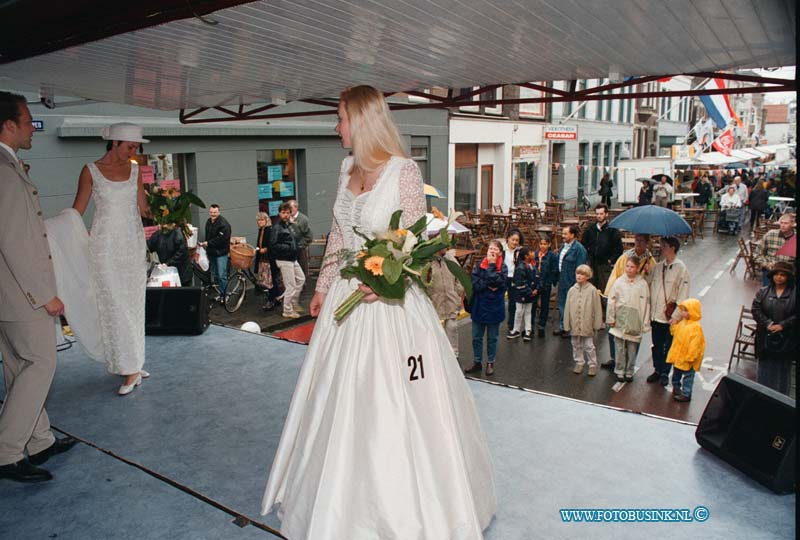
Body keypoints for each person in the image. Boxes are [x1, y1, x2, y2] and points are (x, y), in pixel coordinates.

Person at [262, 86, 496, 538]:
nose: (336, 128)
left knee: (400, 397)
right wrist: (323, 285)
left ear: (363, 121)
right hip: (344, 304)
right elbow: (337, 234)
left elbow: (414, 247)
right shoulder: (347, 168)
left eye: (341, 119)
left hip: (389, 305)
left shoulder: (404, 172)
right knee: (337, 401)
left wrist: (387, 284)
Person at [0, 91, 78, 483]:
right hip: (21, 295)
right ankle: (7, 452)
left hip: (8, 294)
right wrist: (43, 294)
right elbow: (13, 240)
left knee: (20, 366)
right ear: (9, 125)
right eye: (28, 120)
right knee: (41, 364)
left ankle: (39, 439)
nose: (33, 127)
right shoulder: (3, 169)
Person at [72, 122, 150, 395]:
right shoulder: (90, 171)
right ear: (114, 143)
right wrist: (58, 232)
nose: (133, 151)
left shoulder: (136, 170)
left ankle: (135, 362)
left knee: (133, 303)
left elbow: (144, 208)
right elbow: (77, 210)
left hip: (132, 244)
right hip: (104, 246)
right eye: (129, 146)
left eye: (136, 147)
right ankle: (129, 368)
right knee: (115, 305)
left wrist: (169, 209)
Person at [601, 234, 657, 370]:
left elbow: (652, 283)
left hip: (637, 302)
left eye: (641, 241)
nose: (638, 243)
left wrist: (649, 273)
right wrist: (610, 294)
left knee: (633, 334)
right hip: (622, 298)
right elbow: (616, 275)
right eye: (636, 240)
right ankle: (615, 358)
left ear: (647, 243)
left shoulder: (651, 261)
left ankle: (630, 363)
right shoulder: (625, 257)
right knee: (614, 331)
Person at [648, 237, 690, 386]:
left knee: (668, 347)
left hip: (669, 317)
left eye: (664, 245)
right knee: (656, 345)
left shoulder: (681, 269)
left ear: (672, 248)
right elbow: (649, 286)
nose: (661, 248)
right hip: (655, 315)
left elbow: (683, 295)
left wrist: (676, 316)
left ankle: (665, 372)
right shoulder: (658, 267)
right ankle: (657, 369)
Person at [751, 261, 796, 397]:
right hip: (765, 339)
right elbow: (756, 309)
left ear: (788, 277)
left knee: (783, 373)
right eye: (776, 274)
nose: (779, 277)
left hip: (786, 341)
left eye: (783, 275)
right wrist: (768, 324)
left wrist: (783, 325)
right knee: (764, 371)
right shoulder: (763, 292)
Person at [466, 239, 507, 376]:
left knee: (492, 338)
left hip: (495, 308)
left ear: (500, 253)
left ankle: (490, 362)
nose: (492, 251)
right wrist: (490, 283)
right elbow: (476, 284)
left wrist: (491, 266)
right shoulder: (479, 265)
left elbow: (500, 283)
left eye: (496, 249)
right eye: (491, 249)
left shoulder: (504, 267)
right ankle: (477, 361)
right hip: (479, 306)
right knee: (476, 337)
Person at [607, 256, 651, 383]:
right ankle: (619, 370)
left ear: (637, 269)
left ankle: (629, 371)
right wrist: (611, 317)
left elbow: (646, 304)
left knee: (632, 348)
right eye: (627, 266)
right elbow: (612, 300)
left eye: (632, 267)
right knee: (619, 346)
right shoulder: (619, 282)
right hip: (620, 317)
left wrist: (644, 323)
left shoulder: (642, 284)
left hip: (635, 320)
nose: (629, 269)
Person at [564, 264, 604, 376]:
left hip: (587, 323)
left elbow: (597, 308)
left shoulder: (592, 290)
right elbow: (567, 308)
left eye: (582, 274)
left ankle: (592, 364)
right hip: (574, 323)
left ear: (588, 276)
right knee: (575, 344)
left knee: (589, 345)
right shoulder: (572, 290)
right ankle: (579, 362)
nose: (579, 276)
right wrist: (566, 324)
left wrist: (597, 323)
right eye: (578, 273)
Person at [270, 202, 306, 319]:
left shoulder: (289, 225)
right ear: (279, 213)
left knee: (301, 279)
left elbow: (294, 239)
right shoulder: (277, 227)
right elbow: (273, 245)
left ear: (290, 213)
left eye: (287, 212)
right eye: (283, 213)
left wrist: (296, 246)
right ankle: (287, 310)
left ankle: (293, 302)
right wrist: (289, 248)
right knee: (290, 286)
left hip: (292, 258)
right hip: (284, 259)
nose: (285, 215)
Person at [666, 299, 706, 402]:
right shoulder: (682, 323)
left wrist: (691, 356)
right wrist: (673, 326)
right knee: (676, 373)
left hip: (688, 358)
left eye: (686, 310)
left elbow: (696, 344)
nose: (683, 312)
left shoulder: (696, 327)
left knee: (688, 376)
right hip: (679, 356)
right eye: (683, 310)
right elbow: (675, 333)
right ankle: (676, 388)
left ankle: (686, 393)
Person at [428, 247, 464, 359]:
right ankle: (438, 353)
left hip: (451, 298)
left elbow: (460, 276)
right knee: (436, 328)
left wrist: (457, 292)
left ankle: (454, 352)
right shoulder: (428, 261)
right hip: (435, 300)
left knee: (452, 326)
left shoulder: (451, 259)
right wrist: (429, 295)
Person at [581, 203, 623, 292]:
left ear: (606, 214)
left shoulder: (612, 230)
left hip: (604, 265)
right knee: (590, 289)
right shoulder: (590, 229)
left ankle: (603, 306)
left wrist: (610, 260)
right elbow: (583, 245)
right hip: (592, 264)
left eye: (601, 214)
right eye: (597, 214)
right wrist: (587, 259)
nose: (599, 216)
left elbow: (618, 249)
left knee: (604, 290)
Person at [555, 225, 587, 337]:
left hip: (571, 281)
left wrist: (577, 283)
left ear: (572, 235)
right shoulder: (563, 246)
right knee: (562, 303)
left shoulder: (579, 249)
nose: (563, 236)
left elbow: (581, 268)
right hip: (562, 279)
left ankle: (571, 328)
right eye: (562, 233)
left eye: (565, 234)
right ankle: (563, 326)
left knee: (571, 306)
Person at [507, 247, 538, 341]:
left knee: (528, 312)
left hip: (530, 293)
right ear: (526, 256)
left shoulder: (532, 265)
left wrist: (536, 288)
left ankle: (528, 330)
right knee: (519, 311)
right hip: (522, 294)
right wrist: (530, 292)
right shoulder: (521, 268)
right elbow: (520, 283)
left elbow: (536, 277)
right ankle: (516, 329)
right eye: (531, 252)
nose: (533, 253)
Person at [754, 214, 795, 286]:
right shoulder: (770, 234)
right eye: (781, 223)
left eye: (786, 223)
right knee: (768, 295)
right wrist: (766, 264)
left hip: (789, 273)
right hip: (770, 271)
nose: (783, 225)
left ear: (792, 224)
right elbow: (757, 253)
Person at [200, 204, 231, 295]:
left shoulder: (224, 224)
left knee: (222, 275)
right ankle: (221, 293)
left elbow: (221, 239)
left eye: (215, 212)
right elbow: (208, 236)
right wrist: (207, 247)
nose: (213, 214)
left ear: (219, 212)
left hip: (221, 253)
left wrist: (208, 243)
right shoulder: (209, 222)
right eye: (211, 212)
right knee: (216, 274)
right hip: (212, 252)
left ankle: (225, 296)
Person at [532, 235, 558, 338]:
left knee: (545, 304)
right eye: (541, 244)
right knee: (533, 304)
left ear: (549, 244)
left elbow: (554, 269)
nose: (543, 246)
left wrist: (550, 281)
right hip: (535, 283)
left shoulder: (552, 256)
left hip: (546, 283)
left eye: (545, 244)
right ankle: (531, 324)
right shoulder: (535, 254)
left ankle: (542, 324)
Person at [254, 212, 278, 311]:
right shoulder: (261, 230)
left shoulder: (269, 230)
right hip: (262, 258)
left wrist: (266, 249)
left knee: (270, 280)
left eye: (261, 220)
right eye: (258, 220)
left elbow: (272, 244)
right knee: (266, 280)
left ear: (266, 220)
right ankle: (275, 297)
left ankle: (272, 300)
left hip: (269, 259)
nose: (259, 222)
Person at [501, 229, 523, 332]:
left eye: (517, 240)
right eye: (512, 239)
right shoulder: (502, 251)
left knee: (512, 303)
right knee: (499, 300)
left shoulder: (520, 251)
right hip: (504, 278)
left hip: (514, 279)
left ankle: (512, 324)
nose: (514, 242)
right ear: (508, 239)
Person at [288, 199, 312, 278]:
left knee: (301, 268)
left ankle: (303, 286)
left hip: (300, 248)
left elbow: (309, 236)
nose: (289, 209)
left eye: (291, 207)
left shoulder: (303, 219)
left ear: (296, 208)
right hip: (289, 248)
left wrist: (301, 245)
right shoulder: (286, 218)